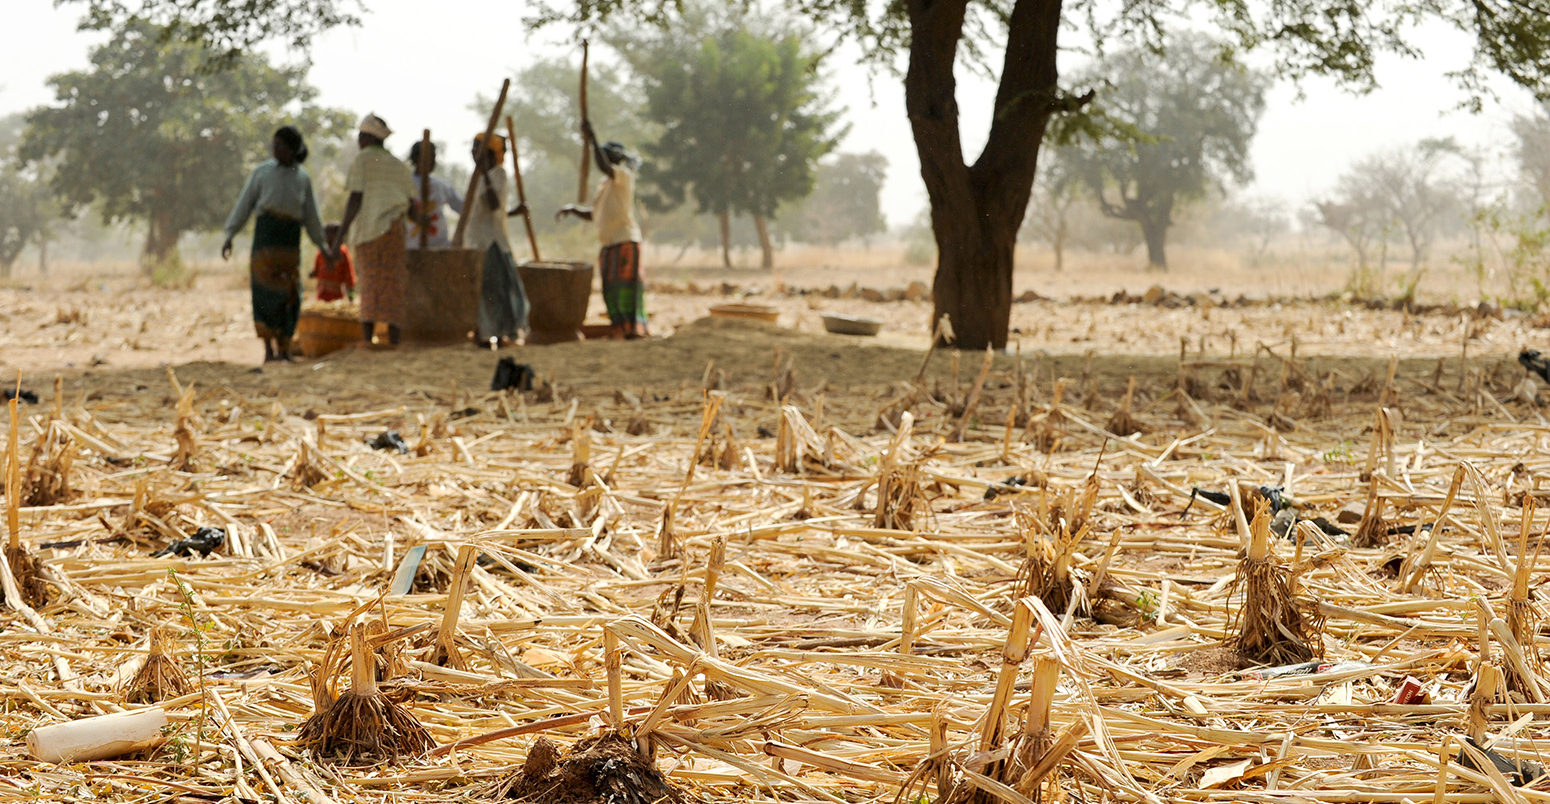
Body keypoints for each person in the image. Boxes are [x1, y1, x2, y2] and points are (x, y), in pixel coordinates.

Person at [221, 125, 330, 363]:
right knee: (264, 293)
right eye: (274, 145)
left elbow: (311, 215)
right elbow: (245, 204)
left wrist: (323, 245)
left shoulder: (302, 177)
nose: (275, 149)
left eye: (280, 145)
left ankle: (285, 348)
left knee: (289, 294)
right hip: (266, 238)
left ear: (292, 149)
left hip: (289, 241)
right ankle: (268, 350)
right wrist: (230, 234)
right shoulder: (262, 172)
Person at [553, 120, 648, 339]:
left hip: (625, 240)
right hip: (610, 243)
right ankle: (620, 329)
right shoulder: (606, 185)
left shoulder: (623, 175)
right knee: (611, 289)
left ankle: (633, 330)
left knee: (628, 289)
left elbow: (602, 165)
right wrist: (573, 209)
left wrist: (592, 137)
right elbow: (594, 214)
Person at [330, 113, 419, 347]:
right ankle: (394, 340)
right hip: (395, 231)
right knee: (392, 283)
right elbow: (412, 206)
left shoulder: (363, 160)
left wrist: (340, 237)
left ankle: (368, 339)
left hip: (370, 231)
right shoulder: (398, 165)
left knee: (370, 282)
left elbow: (355, 198)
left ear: (366, 137)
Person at [466, 132, 529, 345]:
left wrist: (484, 172)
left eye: (478, 149)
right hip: (476, 240)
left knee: (495, 290)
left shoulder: (497, 174)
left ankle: (500, 334)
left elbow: (493, 205)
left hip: (492, 241)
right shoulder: (476, 177)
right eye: (473, 149)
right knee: (480, 290)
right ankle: (482, 333)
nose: (473, 153)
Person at [405, 140, 463, 249]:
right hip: (411, 247)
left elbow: (462, 208)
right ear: (416, 158)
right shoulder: (405, 185)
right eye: (428, 156)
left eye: (433, 157)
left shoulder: (440, 185)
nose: (432, 161)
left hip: (440, 248)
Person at [312, 223, 355, 302]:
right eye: (325, 234)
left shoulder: (343, 252)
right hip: (321, 296)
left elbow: (349, 277)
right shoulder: (321, 252)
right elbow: (316, 270)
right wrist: (313, 273)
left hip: (336, 298)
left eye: (329, 234)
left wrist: (351, 297)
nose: (326, 237)